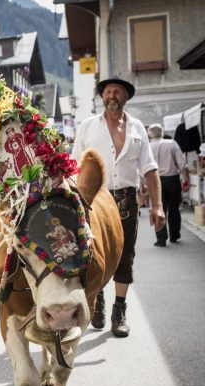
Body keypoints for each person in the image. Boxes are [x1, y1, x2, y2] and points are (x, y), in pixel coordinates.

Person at [72, 77, 165, 338]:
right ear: (102, 97)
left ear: (126, 97)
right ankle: (98, 299)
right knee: (94, 252)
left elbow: (149, 168)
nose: (112, 95)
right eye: (108, 92)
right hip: (95, 199)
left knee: (125, 256)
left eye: (118, 92)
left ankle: (119, 310)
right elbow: (73, 163)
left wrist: (158, 206)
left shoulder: (137, 128)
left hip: (127, 199)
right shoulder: (88, 126)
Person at [147, 124, 189, 246]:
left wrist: (144, 184)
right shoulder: (171, 143)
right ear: (161, 132)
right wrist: (187, 180)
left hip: (155, 181)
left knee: (158, 209)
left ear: (150, 134)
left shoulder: (148, 147)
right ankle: (174, 235)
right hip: (172, 180)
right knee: (174, 209)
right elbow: (182, 164)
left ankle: (161, 239)